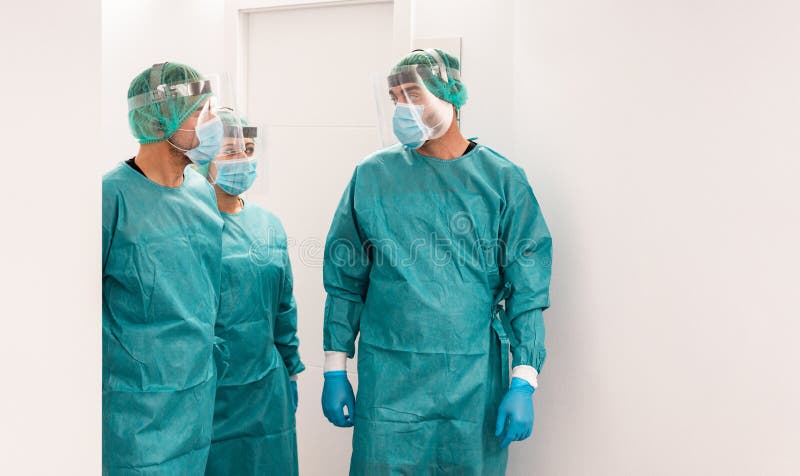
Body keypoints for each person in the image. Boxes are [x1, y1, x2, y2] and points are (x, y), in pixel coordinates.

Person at [321, 49, 552, 475]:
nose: (402, 109)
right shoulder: (373, 176)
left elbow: (528, 289)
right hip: (390, 380)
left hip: (472, 380)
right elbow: (345, 282)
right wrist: (335, 367)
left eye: (412, 94)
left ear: (451, 96)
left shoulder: (502, 181)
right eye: (394, 98)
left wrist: (524, 379)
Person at [103, 62, 225, 474]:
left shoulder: (202, 193)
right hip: (138, 410)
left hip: (196, 396)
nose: (213, 125)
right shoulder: (110, 197)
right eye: (201, 113)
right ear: (159, 118)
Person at [202, 109, 305, 476]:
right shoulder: (193, 225)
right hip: (212, 396)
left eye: (248, 149)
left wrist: (291, 370)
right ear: (203, 158)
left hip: (266, 393)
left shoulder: (268, 226)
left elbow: (283, 306)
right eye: (230, 151)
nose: (242, 160)